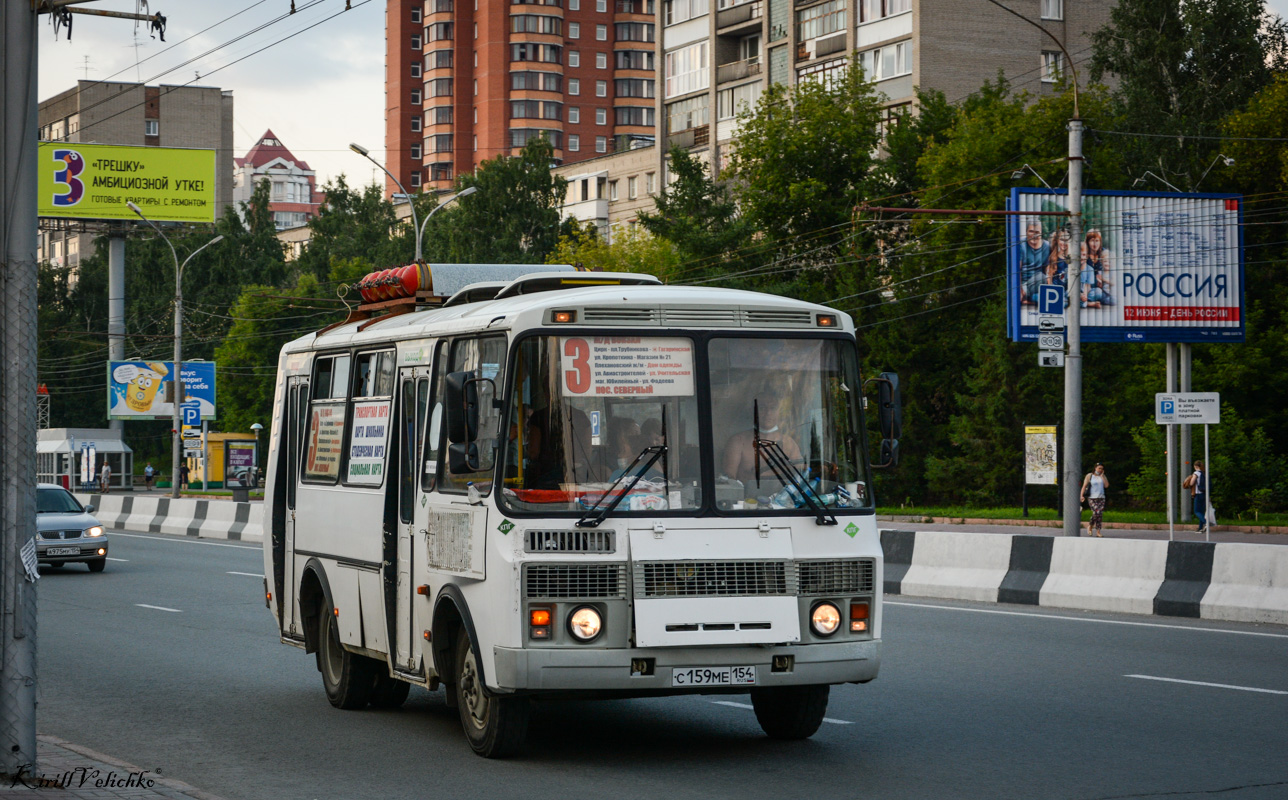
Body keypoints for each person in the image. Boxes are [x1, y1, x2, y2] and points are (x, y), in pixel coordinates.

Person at [722, 383, 802, 485]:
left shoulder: (789, 444)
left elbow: (799, 477)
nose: (768, 412)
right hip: (746, 500)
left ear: (779, 412)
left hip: (781, 499)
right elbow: (729, 481)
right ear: (754, 410)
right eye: (762, 407)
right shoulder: (738, 442)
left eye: (772, 408)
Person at [1019, 223, 1051, 305]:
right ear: (1026, 232)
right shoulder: (1021, 245)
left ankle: (1030, 298)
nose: (1034, 235)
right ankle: (1028, 296)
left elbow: (1047, 268)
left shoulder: (1046, 246)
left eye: (1037, 232)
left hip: (1039, 283)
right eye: (1031, 231)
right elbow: (1017, 270)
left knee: (1041, 277)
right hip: (1023, 284)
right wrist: (1020, 290)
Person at [1083, 229, 1115, 306]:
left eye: (1097, 241)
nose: (1095, 243)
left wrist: (1103, 279)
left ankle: (1090, 301)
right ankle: (1088, 301)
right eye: (1092, 240)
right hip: (1088, 286)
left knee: (1112, 300)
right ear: (1087, 242)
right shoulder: (1084, 254)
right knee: (1097, 292)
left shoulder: (1104, 253)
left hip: (1104, 286)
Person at [1080, 462, 1109, 537]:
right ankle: (1090, 525)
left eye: (1102, 469)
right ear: (1095, 468)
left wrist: (1102, 476)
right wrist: (1081, 496)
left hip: (1101, 497)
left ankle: (1098, 531)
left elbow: (1106, 485)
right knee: (1097, 512)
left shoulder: (1102, 476)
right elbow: (1084, 486)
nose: (1100, 470)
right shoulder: (1090, 476)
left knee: (1099, 514)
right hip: (1092, 498)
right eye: (1099, 468)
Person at [1183, 460, 1209, 533]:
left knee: (1196, 511)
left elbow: (1191, 483)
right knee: (1201, 511)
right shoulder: (1204, 473)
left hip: (1198, 493)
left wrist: (1190, 481)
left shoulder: (1196, 473)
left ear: (1195, 466)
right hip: (1204, 494)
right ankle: (1200, 528)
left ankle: (1206, 522)